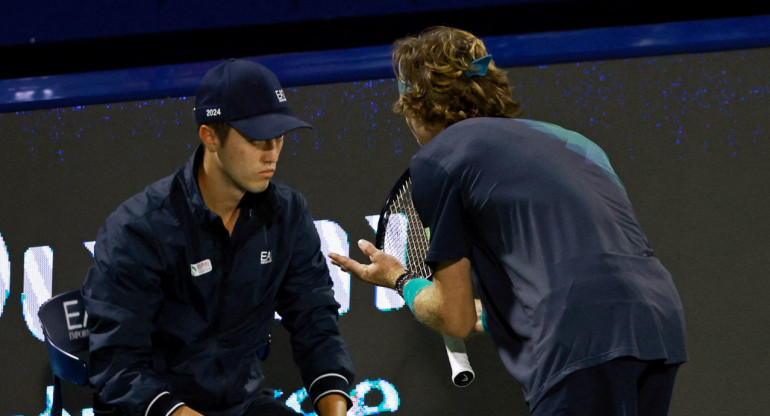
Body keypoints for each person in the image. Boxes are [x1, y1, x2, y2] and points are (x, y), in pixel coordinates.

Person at [329, 26, 687, 416]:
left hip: (576, 341)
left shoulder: (439, 158)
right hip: (658, 327)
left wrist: (399, 279)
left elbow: (456, 318)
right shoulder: (575, 141)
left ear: (415, 103)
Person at [82, 59, 354, 416]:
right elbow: (118, 366)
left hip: (240, 405)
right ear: (210, 136)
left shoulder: (287, 213)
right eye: (257, 139)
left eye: (279, 137)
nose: (271, 153)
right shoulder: (138, 229)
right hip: (152, 408)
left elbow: (313, 319)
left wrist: (335, 407)